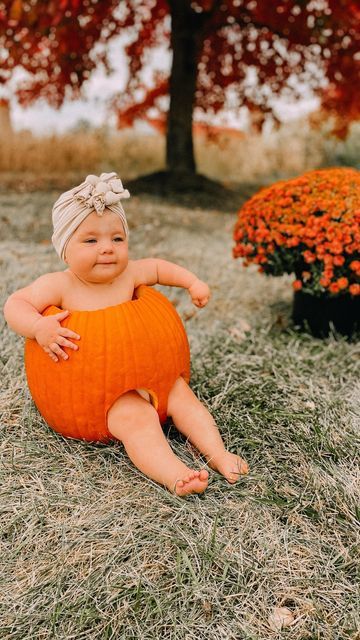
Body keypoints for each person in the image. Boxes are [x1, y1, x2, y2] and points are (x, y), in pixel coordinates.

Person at [3, 172, 249, 496]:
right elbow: (14, 304)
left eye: (117, 239)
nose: (107, 249)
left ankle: (218, 453)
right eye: (90, 241)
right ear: (65, 249)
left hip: (156, 376)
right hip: (103, 399)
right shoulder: (59, 286)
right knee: (139, 419)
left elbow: (160, 268)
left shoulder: (130, 274)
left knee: (184, 399)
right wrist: (38, 327)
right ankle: (174, 474)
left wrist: (192, 283)